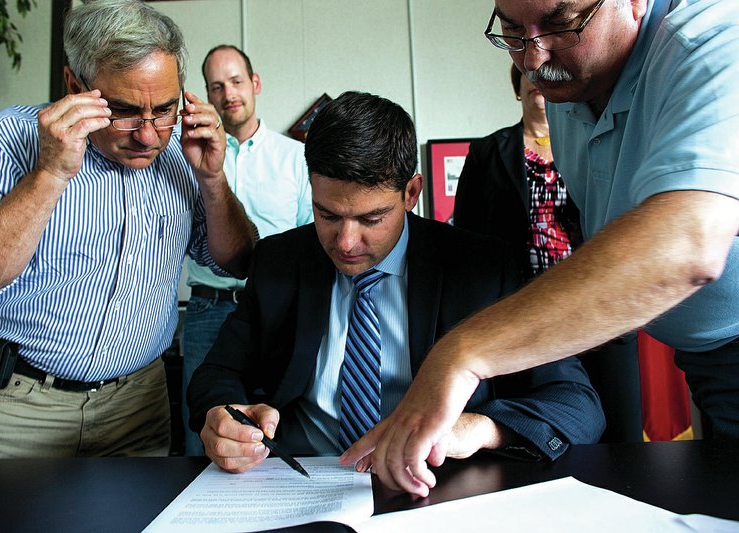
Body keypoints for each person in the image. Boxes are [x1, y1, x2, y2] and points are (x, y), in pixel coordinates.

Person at [342, 0, 739, 497]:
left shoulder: (711, 41)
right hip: (704, 356)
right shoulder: (570, 83)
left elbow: (687, 243)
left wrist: (462, 354)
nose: (530, 59)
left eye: (560, 23)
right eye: (511, 29)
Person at [187, 91, 605, 473]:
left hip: (436, 485)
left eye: (371, 219)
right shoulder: (279, 261)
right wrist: (224, 416)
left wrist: (477, 428)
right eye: (327, 215)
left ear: (412, 193)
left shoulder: (480, 269)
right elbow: (215, 374)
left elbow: (576, 403)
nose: (346, 242)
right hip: (300, 478)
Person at [0, 0, 256, 459]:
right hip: (14, 406)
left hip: (137, 410)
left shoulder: (182, 152)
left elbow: (237, 260)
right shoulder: (0, 141)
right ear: (74, 85)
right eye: (124, 111)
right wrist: (48, 174)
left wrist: (212, 179)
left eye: (165, 109)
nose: (148, 135)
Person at [453, 64, 641, 442]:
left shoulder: (592, 142)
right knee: (546, 427)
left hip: (599, 304)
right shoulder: (489, 152)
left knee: (622, 429)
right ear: (517, 88)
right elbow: (467, 237)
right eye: (530, 78)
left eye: (548, 80)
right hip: (526, 311)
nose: (539, 85)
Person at [181, 45, 312, 456]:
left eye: (236, 81)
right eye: (216, 86)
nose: (228, 93)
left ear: (255, 84)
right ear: (206, 93)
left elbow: (312, 239)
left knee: (276, 426)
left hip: (279, 312)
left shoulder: (297, 157)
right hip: (206, 310)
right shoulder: (187, 159)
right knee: (203, 431)